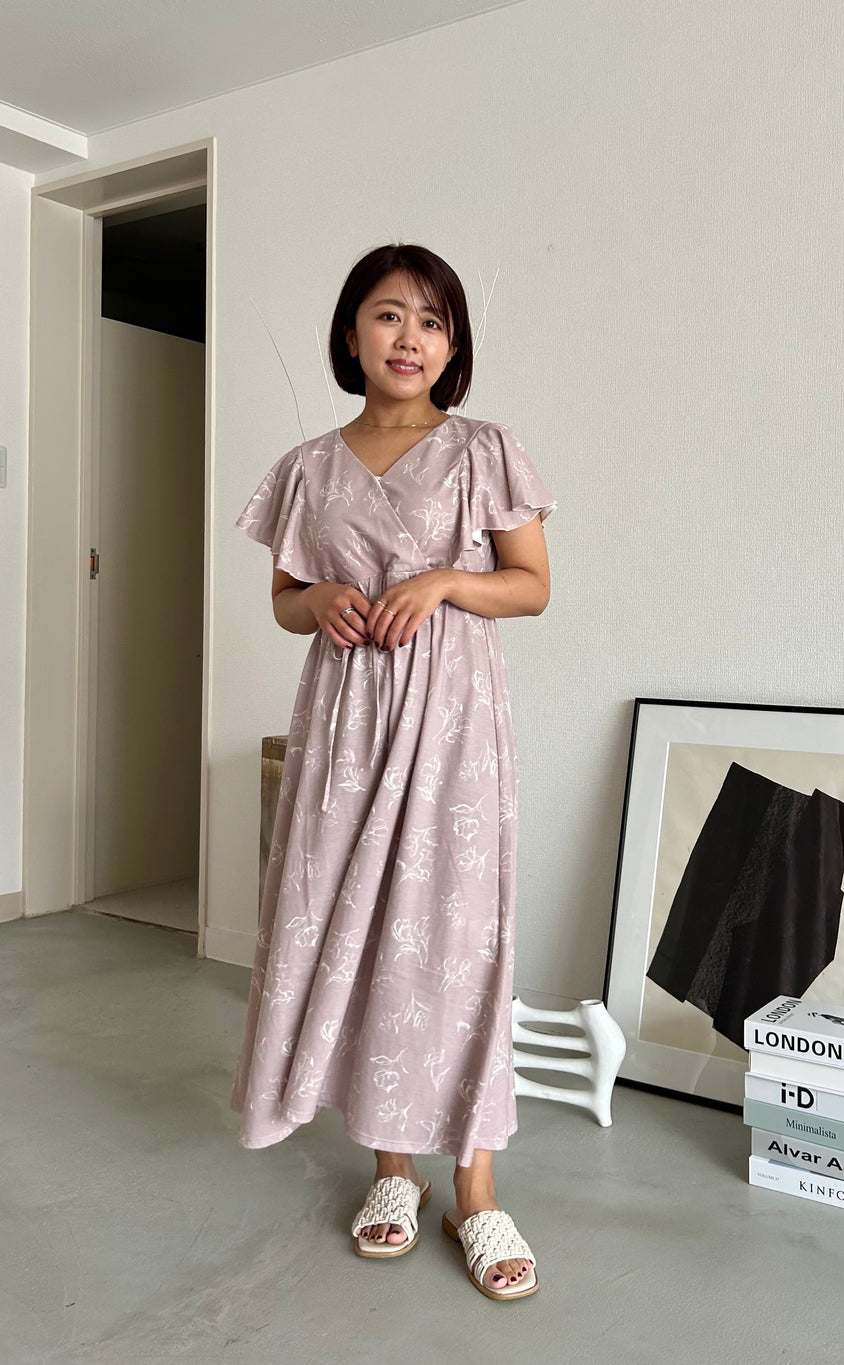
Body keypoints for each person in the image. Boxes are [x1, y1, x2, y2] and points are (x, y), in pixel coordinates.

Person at [230, 243, 556, 1302]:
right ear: (351, 334)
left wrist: (449, 581)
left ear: (452, 346)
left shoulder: (484, 449)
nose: (409, 337)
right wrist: (319, 600)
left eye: (432, 320)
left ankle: (477, 1187)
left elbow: (531, 586)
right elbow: (285, 600)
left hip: (452, 726)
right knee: (361, 933)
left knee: (456, 938)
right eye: (387, 315)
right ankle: (392, 1170)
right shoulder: (307, 467)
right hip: (345, 726)